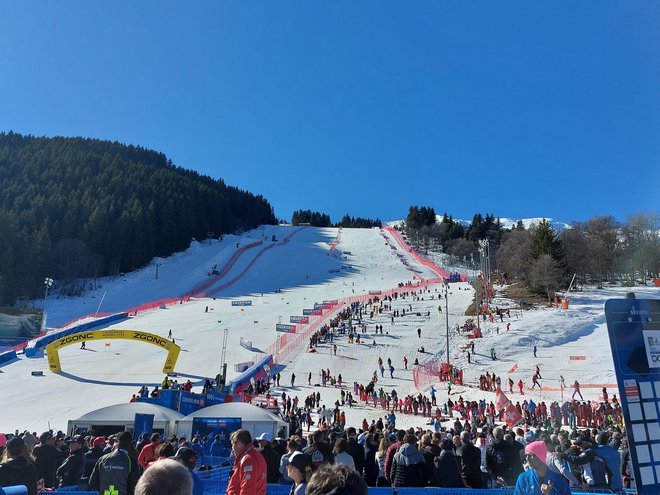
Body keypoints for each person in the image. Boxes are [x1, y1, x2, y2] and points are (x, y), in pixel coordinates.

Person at [226, 429, 267, 495]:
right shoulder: (257, 456)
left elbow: (248, 488)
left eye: (233, 445)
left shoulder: (248, 460)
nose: (232, 449)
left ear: (239, 443)